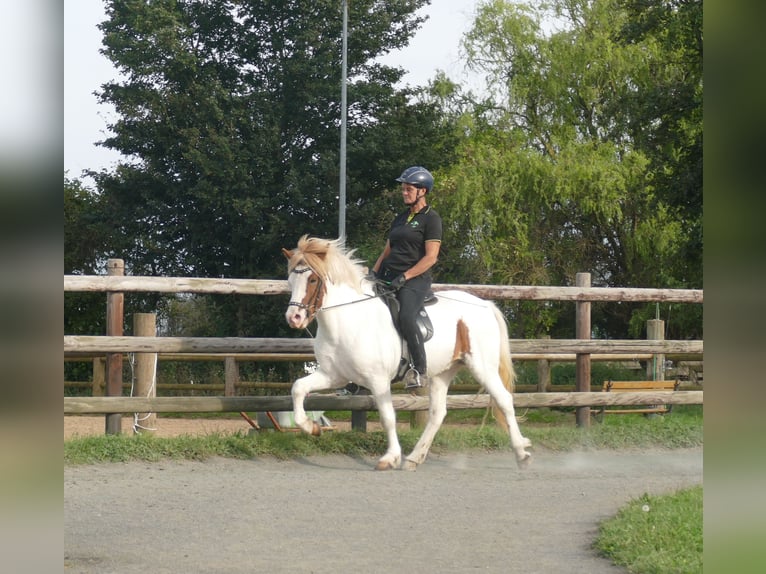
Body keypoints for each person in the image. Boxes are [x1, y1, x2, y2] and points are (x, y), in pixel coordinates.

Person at [371, 166, 443, 389]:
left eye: (408, 189)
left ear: (422, 191)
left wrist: (406, 276)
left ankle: (418, 370)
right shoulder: (400, 218)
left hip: (415, 280)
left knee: (406, 317)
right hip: (388, 277)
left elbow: (431, 258)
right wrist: (374, 273)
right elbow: (387, 250)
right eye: (403, 189)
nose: (404, 192)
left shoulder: (431, 219)